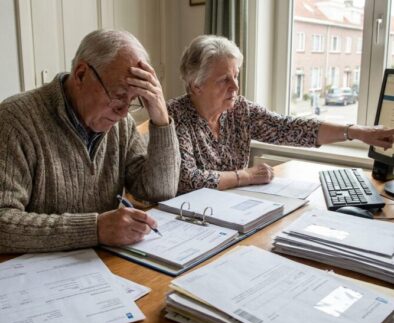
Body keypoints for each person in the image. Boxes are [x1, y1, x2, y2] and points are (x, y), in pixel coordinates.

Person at [0, 29, 180, 253]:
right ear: (81, 74)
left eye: (134, 100)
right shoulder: (15, 120)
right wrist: (95, 229)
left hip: (103, 267)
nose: (124, 112)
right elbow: (3, 222)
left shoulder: (120, 125)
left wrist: (161, 118)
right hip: (32, 275)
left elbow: (158, 192)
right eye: (118, 95)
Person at [167, 35, 394, 195]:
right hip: (192, 220)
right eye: (224, 79)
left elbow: (288, 128)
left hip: (231, 210)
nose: (235, 87)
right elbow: (188, 179)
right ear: (196, 85)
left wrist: (355, 132)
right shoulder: (175, 116)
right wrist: (246, 176)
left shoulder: (240, 110)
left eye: (236, 75)